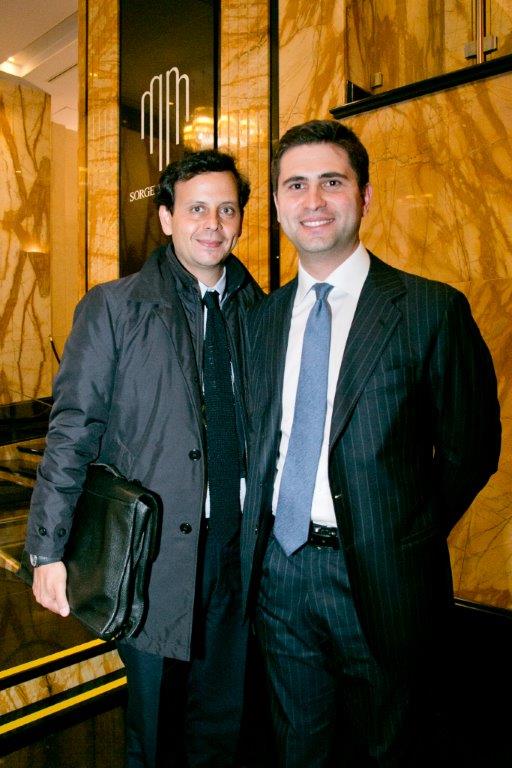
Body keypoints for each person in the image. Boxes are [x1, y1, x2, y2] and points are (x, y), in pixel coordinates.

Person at [241, 120, 501, 767]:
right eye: (296, 185)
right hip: (279, 573)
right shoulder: (263, 318)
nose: (313, 200)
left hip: (384, 581)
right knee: (296, 745)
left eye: (332, 182)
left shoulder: (429, 309)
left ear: (365, 195)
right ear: (277, 204)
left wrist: (404, 530)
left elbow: (472, 448)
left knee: (392, 745)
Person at [25, 149, 263, 767]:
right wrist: (47, 550)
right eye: (196, 209)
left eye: (226, 210)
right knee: (153, 729)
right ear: (165, 217)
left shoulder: (259, 309)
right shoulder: (114, 307)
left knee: (224, 723)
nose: (212, 224)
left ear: (240, 220)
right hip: (150, 555)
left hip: (237, 551)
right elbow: (73, 430)